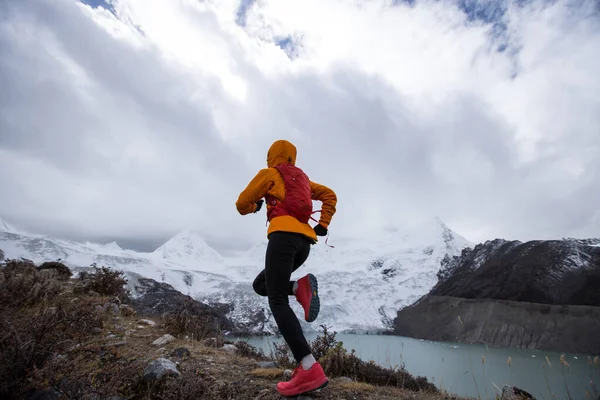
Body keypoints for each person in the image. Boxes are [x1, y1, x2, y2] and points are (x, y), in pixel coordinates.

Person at [235, 139, 337, 397]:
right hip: (304, 244)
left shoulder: (270, 174)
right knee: (262, 286)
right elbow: (329, 195)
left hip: (283, 237)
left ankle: (308, 366)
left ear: (272, 157)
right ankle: (299, 287)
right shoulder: (303, 180)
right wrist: (322, 225)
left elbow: (241, 203)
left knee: (277, 300)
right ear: (293, 157)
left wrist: (254, 206)